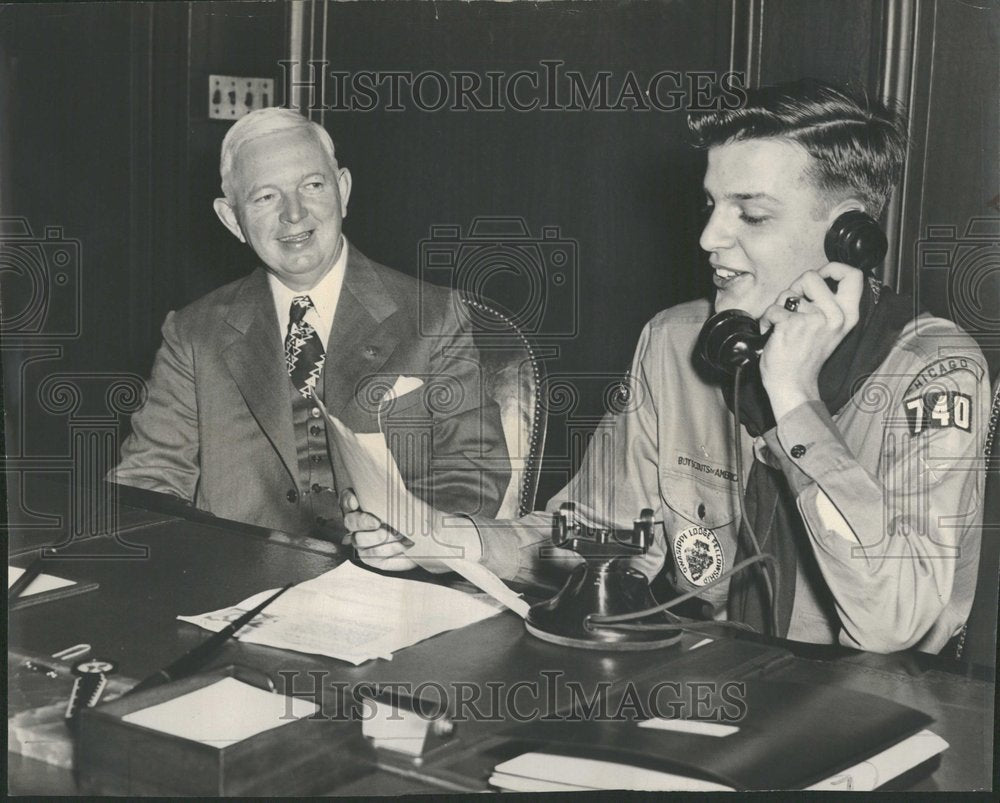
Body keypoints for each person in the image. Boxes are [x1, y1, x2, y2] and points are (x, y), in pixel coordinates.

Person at [346, 81, 990, 654]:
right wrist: (448, 540)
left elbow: (895, 624)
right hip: (703, 686)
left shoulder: (934, 372)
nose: (711, 237)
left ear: (850, 236)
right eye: (711, 205)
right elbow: (598, 531)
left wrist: (794, 401)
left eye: (752, 213)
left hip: (866, 719)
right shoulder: (678, 340)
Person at [112, 108, 510, 537]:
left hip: (390, 584)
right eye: (265, 197)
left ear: (342, 190)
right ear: (233, 220)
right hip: (238, 586)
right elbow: (146, 483)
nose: (294, 214)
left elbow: (472, 471)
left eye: (312, 186)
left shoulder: (435, 316)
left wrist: (414, 538)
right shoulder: (193, 335)